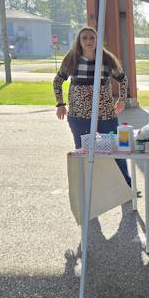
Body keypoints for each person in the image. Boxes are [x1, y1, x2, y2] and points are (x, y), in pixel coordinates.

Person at [53, 27, 132, 187]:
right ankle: (85, 187)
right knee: (82, 151)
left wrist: (122, 99)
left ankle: (125, 186)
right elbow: (57, 81)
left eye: (92, 38)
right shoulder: (72, 59)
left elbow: (123, 79)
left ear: (97, 40)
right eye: (85, 38)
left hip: (105, 112)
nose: (88, 41)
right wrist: (60, 104)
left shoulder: (106, 59)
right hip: (79, 114)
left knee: (115, 149)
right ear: (79, 41)